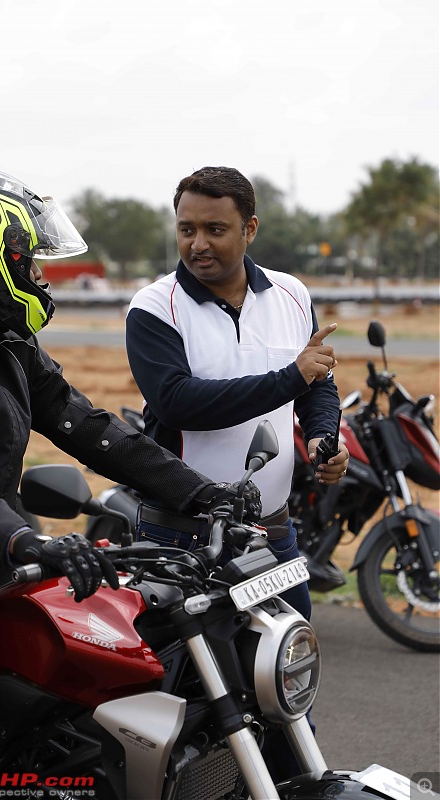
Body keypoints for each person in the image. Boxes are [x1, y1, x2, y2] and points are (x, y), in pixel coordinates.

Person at [0, 167, 258, 795]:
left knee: (77, 711)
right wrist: (26, 539)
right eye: (26, 259)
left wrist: (202, 493)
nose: (38, 273)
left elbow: (90, 428)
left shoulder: (7, 343)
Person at [126, 166, 350, 779]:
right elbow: (177, 401)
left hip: (274, 540)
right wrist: (292, 377)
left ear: (250, 229)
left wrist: (325, 437)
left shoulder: (291, 294)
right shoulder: (155, 307)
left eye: (216, 229)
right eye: (187, 229)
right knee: (196, 711)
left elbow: (317, 382)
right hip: (183, 542)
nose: (198, 243)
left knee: (287, 696)